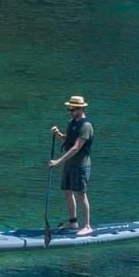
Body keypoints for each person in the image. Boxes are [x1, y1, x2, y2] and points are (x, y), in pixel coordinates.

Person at [49, 95, 95, 236]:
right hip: (69, 164)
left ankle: (87, 226)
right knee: (67, 192)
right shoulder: (72, 123)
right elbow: (67, 141)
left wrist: (57, 161)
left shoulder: (86, 126)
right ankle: (73, 222)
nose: (71, 111)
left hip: (81, 166)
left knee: (81, 194)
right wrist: (57, 134)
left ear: (81, 109)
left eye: (73, 109)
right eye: (69, 109)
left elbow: (76, 148)